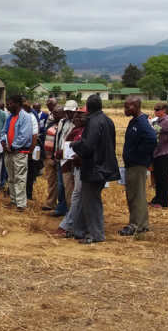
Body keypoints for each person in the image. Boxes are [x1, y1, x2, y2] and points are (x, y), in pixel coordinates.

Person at [70, 94, 120, 244]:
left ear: (88, 107)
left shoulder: (93, 122)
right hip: (104, 166)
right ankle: (78, 231)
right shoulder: (107, 120)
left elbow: (88, 146)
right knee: (87, 199)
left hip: (94, 167)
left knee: (92, 202)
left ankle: (96, 235)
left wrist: (75, 145)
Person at [118, 96, 157, 236]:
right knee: (135, 194)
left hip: (137, 164)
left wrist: (139, 155)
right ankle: (141, 223)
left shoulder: (141, 123)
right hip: (134, 164)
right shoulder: (135, 121)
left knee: (136, 195)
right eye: (125, 106)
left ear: (136, 106)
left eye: (128, 106)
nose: (125, 109)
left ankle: (136, 225)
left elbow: (152, 139)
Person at [56, 107, 87, 236]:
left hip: (80, 167)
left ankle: (70, 225)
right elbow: (66, 147)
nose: (77, 118)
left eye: (81, 116)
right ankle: (74, 223)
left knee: (76, 196)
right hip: (70, 166)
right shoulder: (75, 130)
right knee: (73, 196)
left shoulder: (87, 131)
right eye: (77, 115)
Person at [0, 95, 33, 212]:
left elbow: (25, 135)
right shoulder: (10, 117)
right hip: (8, 152)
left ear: (18, 104)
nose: (8, 106)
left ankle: (21, 204)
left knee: (20, 178)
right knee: (11, 177)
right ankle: (13, 200)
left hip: (19, 152)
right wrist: (4, 143)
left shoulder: (26, 117)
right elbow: (3, 131)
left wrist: (13, 146)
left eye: (10, 104)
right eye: (7, 104)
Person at [150, 102, 168, 208]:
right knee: (158, 178)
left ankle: (163, 202)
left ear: (164, 110)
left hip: (165, 154)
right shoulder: (158, 121)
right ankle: (157, 199)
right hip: (159, 153)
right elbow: (157, 133)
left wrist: (167, 139)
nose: (155, 111)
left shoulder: (166, 120)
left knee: (163, 179)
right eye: (155, 109)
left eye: (157, 109)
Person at [51, 101, 77, 217]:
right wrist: (55, 152)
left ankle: (70, 210)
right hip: (59, 156)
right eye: (67, 111)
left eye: (71, 112)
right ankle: (61, 207)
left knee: (69, 185)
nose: (69, 114)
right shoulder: (62, 121)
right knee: (61, 184)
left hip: (70, 158)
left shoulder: (77, 123)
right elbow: (58, 137)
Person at [41, 98, 61, 212]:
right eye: (54, 113)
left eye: (58, 113)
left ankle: (61, 205)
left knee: (61, 183)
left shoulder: (65, 125)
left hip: (57, 157)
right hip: (48, 157)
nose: (55, 114)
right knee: (51, 181)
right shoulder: (50, 123)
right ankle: (50, 203)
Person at [23, 101, 40, 201]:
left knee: (30, 172)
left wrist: (30, 150)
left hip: (30, 149)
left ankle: (28, 194)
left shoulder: (32, 117)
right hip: (21, 150)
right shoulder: (18, 116)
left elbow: (35, 135)